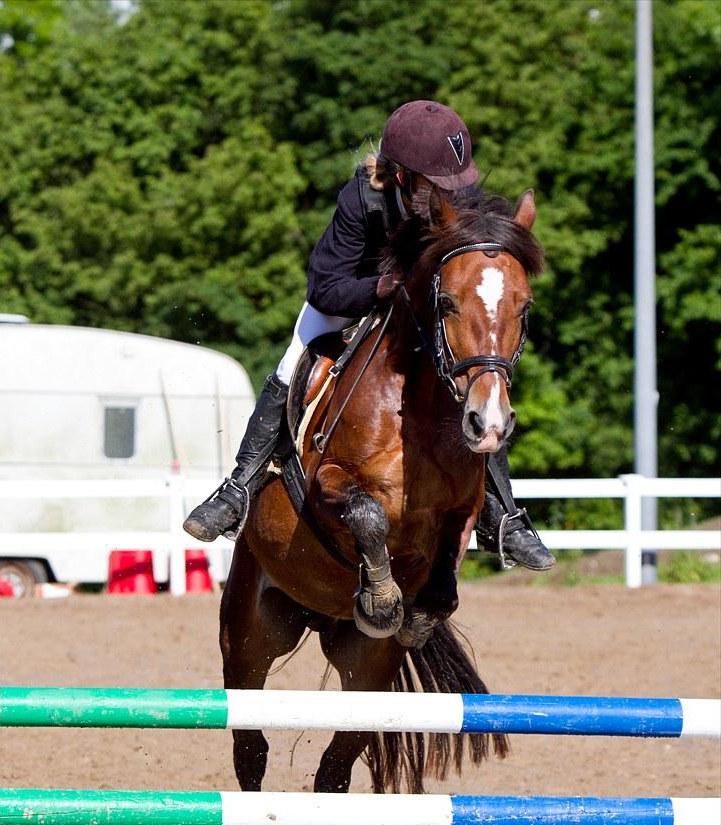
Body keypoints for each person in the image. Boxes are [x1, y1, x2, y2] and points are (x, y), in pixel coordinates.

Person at [183, 100, 554, 571]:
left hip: (428, 309)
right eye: (437, 185)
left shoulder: (457, 191)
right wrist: (383, 287)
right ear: (402, 176)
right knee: (292, 357)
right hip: (354, 297)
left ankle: (504, 518)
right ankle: (239, 487)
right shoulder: (362, 200)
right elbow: (324, 287)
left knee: (480, 381)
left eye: (455, 184)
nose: (452, 194)